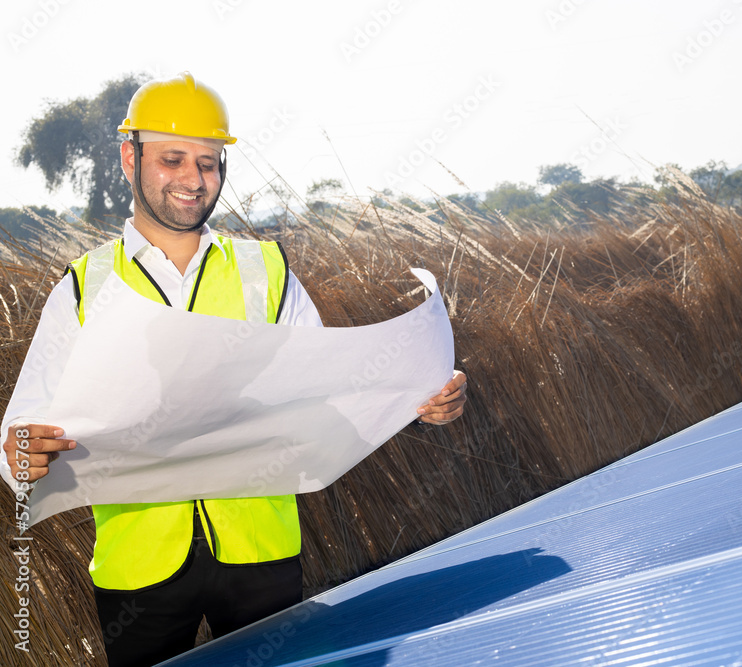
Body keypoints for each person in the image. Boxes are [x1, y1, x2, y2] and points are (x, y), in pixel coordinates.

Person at [0, 71, 467, 667]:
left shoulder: (268, 272)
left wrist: (418, 404)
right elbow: (20, 433)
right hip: (137, 568)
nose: (196, 181)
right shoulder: (83, 289)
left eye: (211, 163)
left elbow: (333, 389)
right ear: (129, 156)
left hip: (261, 558)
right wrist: (21, 453)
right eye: (174, 159)